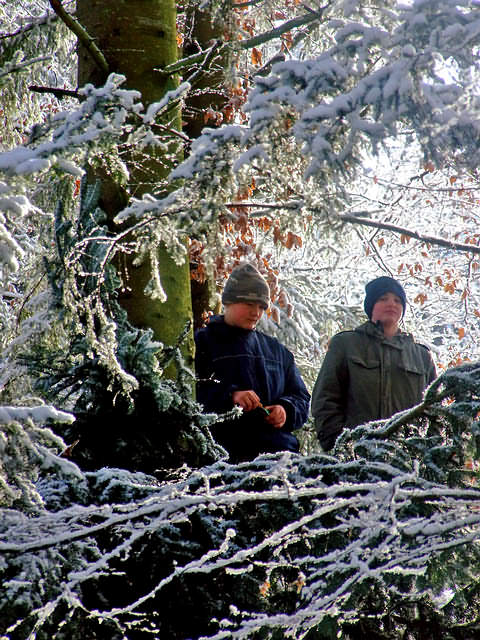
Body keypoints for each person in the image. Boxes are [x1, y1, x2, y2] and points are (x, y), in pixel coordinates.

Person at [195, 263, 310, 462]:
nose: (256, 312)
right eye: (249, 304)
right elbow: (188, 393)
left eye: (261, 306)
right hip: (221, 460)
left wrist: (286, 410)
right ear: (229, 302)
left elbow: (300, 397)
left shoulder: (278, 351)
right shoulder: (200, 343)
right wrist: (230, 397)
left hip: (279, 459)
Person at [311, 276, 436, 451]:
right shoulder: (346, 344)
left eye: (397, 300)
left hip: (408, 459)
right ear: (371, 306)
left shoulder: (422, 356)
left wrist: (427, 452)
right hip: (355, 458)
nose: (391, 304)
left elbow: (434, 411)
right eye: (383, 298)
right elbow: (324, 399)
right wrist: (338, 445)